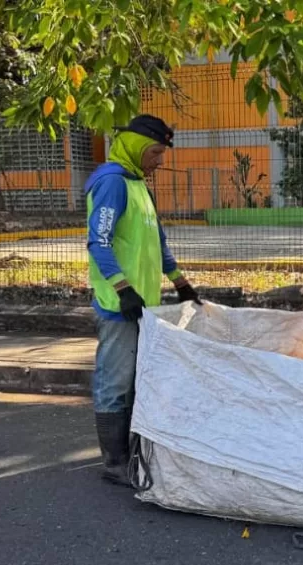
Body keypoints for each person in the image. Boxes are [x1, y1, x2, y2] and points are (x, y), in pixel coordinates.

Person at [86, 114, 200, 486]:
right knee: (115, 381)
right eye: (155, 152)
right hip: (120, 304)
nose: (160, 160)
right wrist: (122, 289)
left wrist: (181, 283)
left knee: (138, 380)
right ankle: (114, 463)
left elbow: (158, 242)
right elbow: (97, 243)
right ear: (136, 146)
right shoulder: (112, 184)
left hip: (144, 305)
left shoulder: (139, 187)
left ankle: (132, 454)